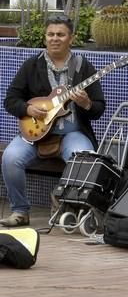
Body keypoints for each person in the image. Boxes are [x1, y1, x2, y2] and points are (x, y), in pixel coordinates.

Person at [0, 14, 106, 227]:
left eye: (60, 34)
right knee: (10, 159)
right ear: (45, 37)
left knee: (85, 160)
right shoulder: (32, 65)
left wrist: (86, 104)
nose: (55, 38)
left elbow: (99, 108)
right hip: (36, 133)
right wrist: (28, 108)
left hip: (72, 133)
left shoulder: (83, 67)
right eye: (50, 34)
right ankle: (20, 211)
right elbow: (10, 100)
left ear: (71, 38)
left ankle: (72, 210)